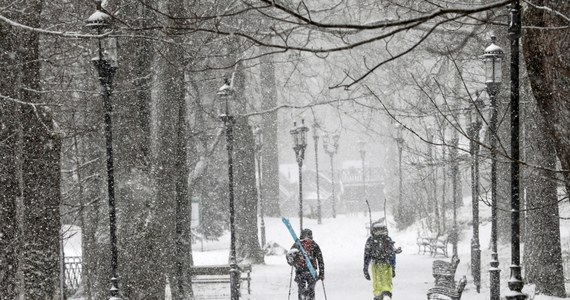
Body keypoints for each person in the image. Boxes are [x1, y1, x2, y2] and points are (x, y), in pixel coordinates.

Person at [363, 222, 399, 300]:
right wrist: (393, 268)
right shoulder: (387, 239)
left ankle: (378, 296)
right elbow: (393, 254)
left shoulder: (370, 240)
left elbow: (367, 255)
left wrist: (365, 269)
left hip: (376, 265)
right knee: (387, 283)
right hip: (387, 265)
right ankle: (387, 294)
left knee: (377, 284)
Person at [286, 228, 325, 300]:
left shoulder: (297, 244)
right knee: (311, 290)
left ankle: (302, 297)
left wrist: (292, 262)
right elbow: (320, 260)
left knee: (301, 290)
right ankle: (310, 298)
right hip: (311, 272)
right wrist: (321, 273)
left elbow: (290, 256)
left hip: (300, 271)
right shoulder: (314, 245)